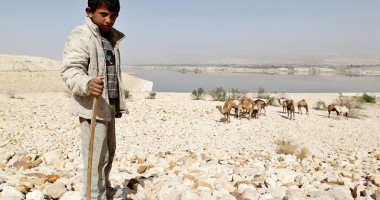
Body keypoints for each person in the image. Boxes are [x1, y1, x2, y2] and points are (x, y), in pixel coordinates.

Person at [61, 0, 128, 199]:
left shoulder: (112, 37)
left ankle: (103, 187)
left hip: (109, 105)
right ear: (89, 12)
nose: (109, 20)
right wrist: (87, 83)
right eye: (104, 14)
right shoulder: (81, 34)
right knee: (95, 157)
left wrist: (117, 104)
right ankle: (92, 195)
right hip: (92, 106)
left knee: (109, 152)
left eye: (114, 16)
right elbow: (70, 70)